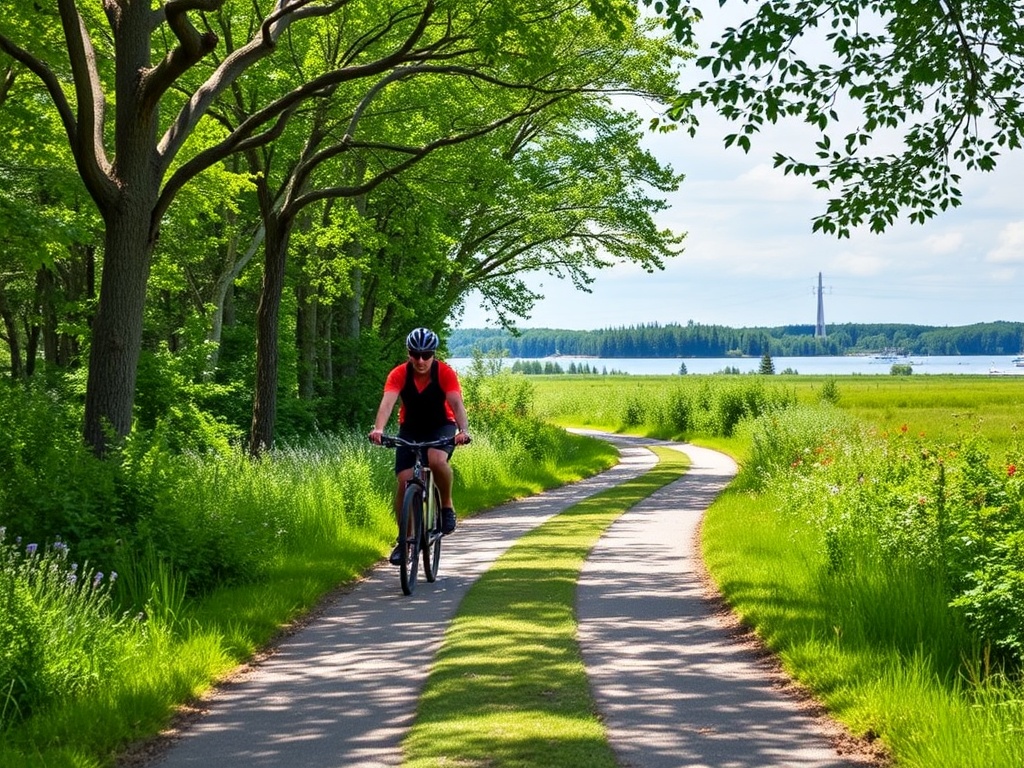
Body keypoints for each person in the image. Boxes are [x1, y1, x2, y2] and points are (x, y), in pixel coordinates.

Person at [368, 327, 471, 565]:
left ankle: (446, 506)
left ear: (433, 354)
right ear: (409, 354)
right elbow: (387, 403)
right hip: (411, 428)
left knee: (436, 460)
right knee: (405, 481)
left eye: (426, 355)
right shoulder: (399, 374)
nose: (421, 360)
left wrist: (463, 431)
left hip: (441, 425)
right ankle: (404, 542)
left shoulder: (444, 372)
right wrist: (379, 429)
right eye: (415, 354)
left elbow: (456, 404)